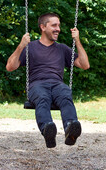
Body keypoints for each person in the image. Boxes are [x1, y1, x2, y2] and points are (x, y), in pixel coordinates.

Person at [6, 12, 90, 148]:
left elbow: (85, 65)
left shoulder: (62, 49)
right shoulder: (30, 47)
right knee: (43, 98)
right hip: (37, 85)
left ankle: (70, 128)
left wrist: (77, 41)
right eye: (54, 25)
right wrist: (21, 45)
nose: (58, 28)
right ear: (43, 27)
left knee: (65, 94)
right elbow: (10, 67)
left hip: (57, 85)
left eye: (59, 25)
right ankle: (47, 129)